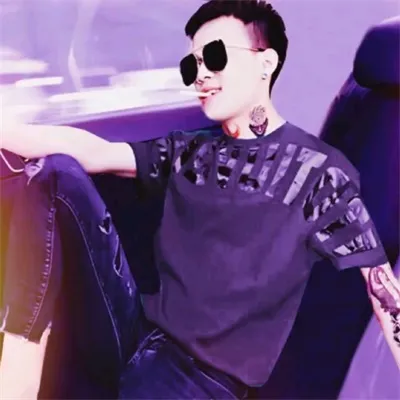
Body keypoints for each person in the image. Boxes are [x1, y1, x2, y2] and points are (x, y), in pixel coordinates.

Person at [0, 1, 399, 398]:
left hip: (200, 383)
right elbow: (94, 151)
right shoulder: (193, 153)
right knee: (56, 175)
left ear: (265, 63)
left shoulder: (317, 174)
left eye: (217, 57)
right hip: (142, 341)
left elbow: (383, 292)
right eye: (193, 65)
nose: (202, 75)